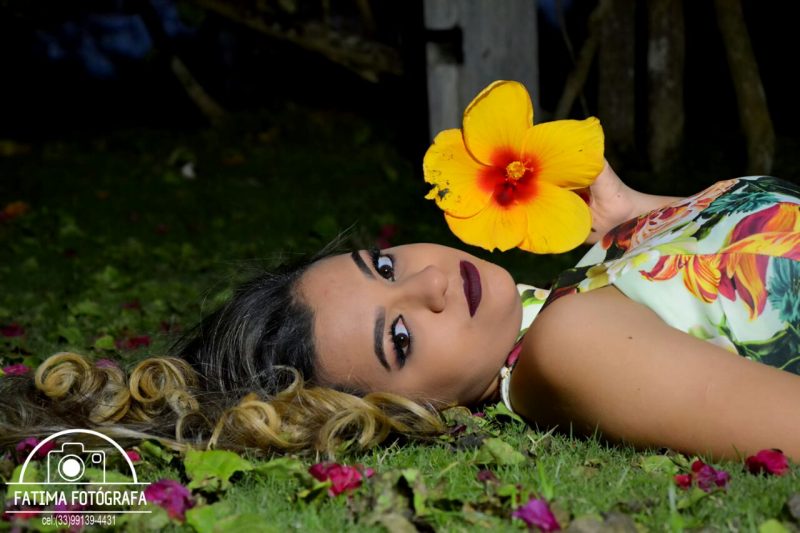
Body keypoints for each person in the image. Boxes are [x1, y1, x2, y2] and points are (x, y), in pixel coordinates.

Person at [2, 163, 799, 462]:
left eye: (384, 266)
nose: (431, 283)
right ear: (412, 408)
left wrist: (635, 216)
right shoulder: (570, 346)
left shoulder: (583, 282)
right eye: (402, 334)